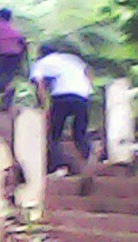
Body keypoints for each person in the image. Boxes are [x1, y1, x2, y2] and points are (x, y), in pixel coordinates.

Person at [30, 44, 94, 173]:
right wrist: (87, 87)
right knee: (80, 133)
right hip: (82, 96)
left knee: (54, 134)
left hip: (62, 97)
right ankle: (90, 161)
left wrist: (44, 106)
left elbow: (40, 85)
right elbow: (89, 71)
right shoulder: (72, 59)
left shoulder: (41, 63)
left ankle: (55, 165)